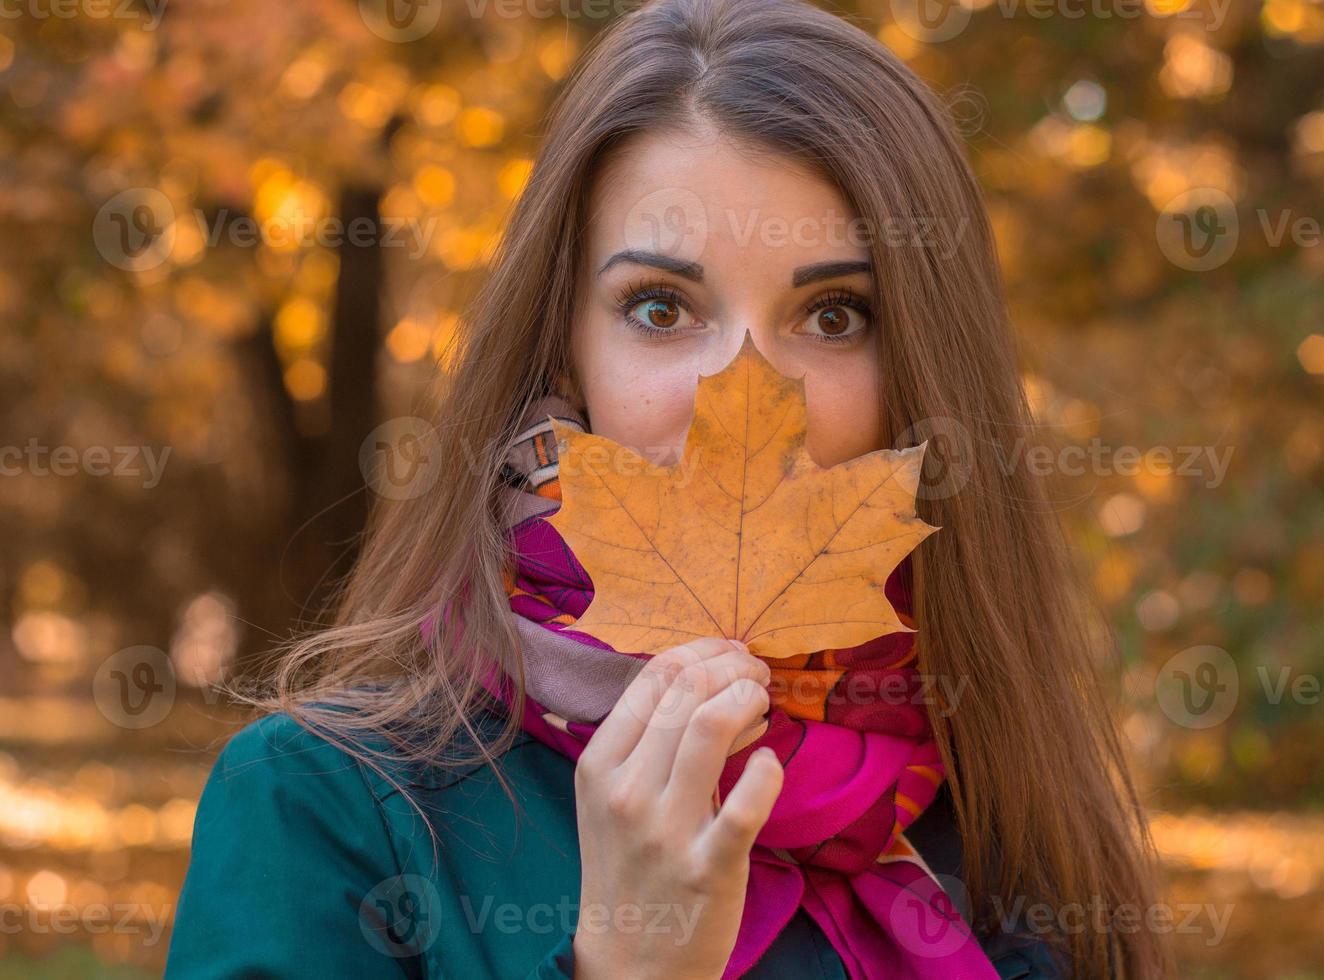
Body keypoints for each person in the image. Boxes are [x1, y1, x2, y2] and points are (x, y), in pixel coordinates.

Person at [166, 1, 1169, 977]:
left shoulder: (1006, 817)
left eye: (833, 315)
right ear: (564, 347)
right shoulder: (326, 804)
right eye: (659, 306)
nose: (742, 389)